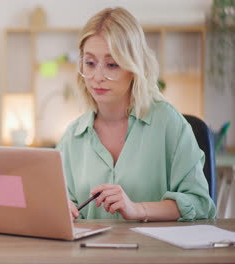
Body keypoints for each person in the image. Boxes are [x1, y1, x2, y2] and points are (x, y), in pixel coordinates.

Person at [56, 7, 216, 222]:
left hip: (154, 253)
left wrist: (138, 209)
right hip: (90, 254)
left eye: (112, 64)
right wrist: (61, 208)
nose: (97, 76)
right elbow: (61, 205)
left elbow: (200, 203)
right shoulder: (71, 137)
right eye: (90, 63)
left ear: (133, 68)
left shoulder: (167, 123)